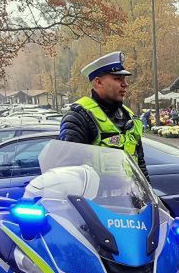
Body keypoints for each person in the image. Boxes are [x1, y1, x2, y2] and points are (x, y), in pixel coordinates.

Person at [59, 51, 149, 179]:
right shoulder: (79, 116)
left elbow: (140, 165)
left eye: (124, 79)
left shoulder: (129, 116)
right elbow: (70, 173)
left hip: (129, 197)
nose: (125, 84)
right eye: (117, 79)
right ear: (98, 82)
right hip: (95, 198)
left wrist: (148, 195)